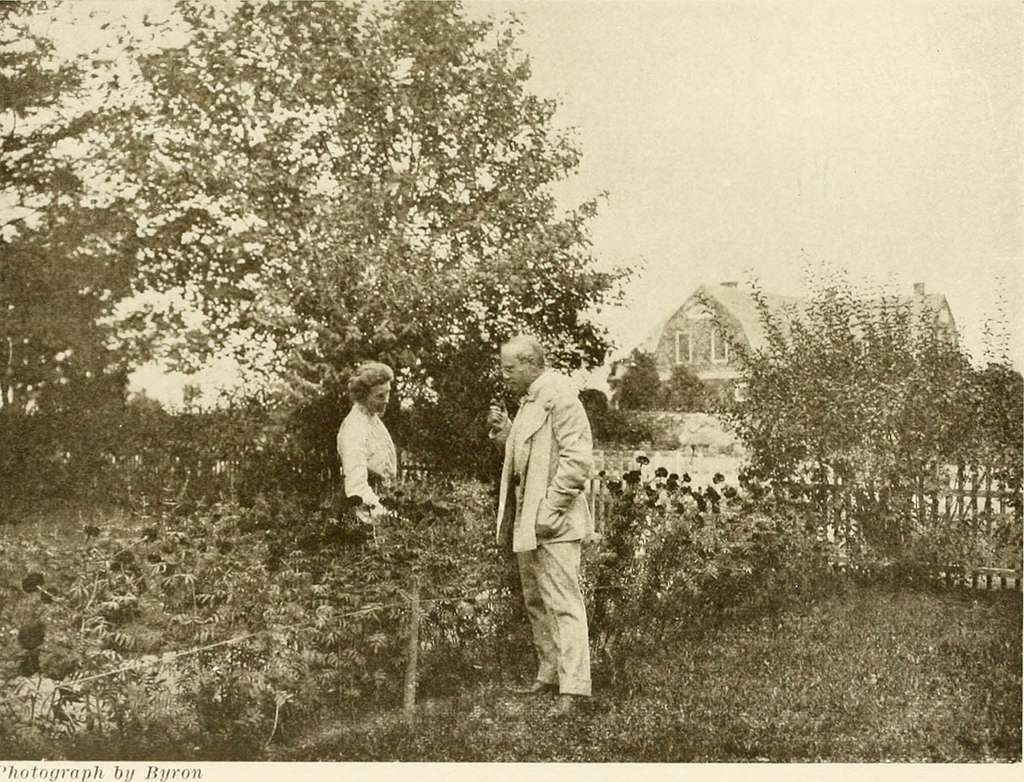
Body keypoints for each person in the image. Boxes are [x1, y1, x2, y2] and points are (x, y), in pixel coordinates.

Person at [486, 334, 594, 716]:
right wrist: (504, 436)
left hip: (554, 522)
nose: (504, 375)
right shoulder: (531, 400)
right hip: (529, 519)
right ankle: (549, 673)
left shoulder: (561, 396)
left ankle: (575, 689)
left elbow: (578, 461)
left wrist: (550, 510)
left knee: (564, 602)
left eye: (509, 368)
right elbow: (526, 460)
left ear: (531, 363)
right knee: (537, 601)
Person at [337, 361, 397, 521]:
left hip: (382, 503)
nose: (387, 400)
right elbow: (356, 487)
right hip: (365, 512)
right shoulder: (354, 428)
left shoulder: (373, 420)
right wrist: (386, 517)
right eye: (380, 396)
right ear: (363, 396)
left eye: (388, 393)